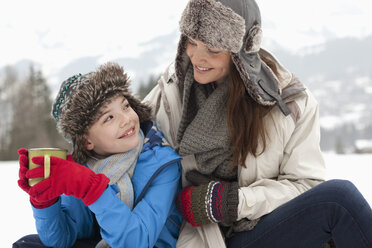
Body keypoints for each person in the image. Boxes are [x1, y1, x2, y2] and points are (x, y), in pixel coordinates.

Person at [143, 0, 372, 247]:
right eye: (191, 42)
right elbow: (119, 139)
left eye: (213, 49)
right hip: (198, 238)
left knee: (339, 200)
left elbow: (305, 185)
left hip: (259, 227)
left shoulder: (289, 102)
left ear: (241, 53)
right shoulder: (171, 94)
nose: (197, 57)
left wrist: (233, 202)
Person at [14, 62, 183, 248]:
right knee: (27, 245)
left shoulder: (162, 165)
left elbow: (136, 242)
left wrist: (92, 189)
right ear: (87, 142)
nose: (126, 119)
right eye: (108, 118)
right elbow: (60, 240)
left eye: (126, 106)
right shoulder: (84, 167)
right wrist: (45, 200)